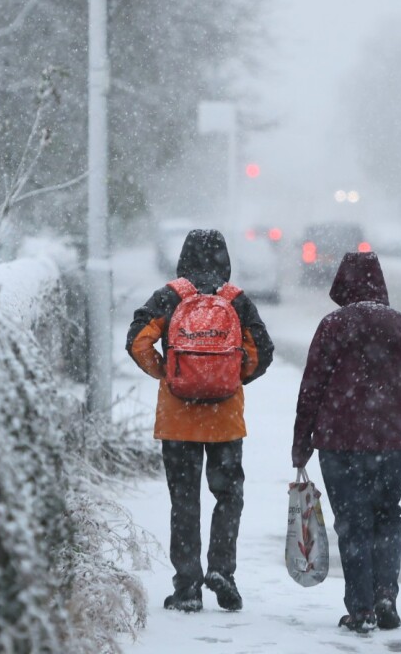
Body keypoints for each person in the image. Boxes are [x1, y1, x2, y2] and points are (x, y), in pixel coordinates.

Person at [292, 251, 401, 633]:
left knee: (352, 523)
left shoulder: (332, 325)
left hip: (340, 442)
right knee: (387, 517)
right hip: (390, 441)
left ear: (342, 284)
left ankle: (361, 608)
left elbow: (311, 388)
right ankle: (385, 596)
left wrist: (301, 443)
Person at [126, 228, 274, 613]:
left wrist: (167, 373)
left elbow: (138, 340)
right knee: (228, 496)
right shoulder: (236, 299)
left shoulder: (170, 296)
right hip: (224, 420)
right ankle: (222, 570)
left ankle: (188, 587)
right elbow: (262, 351)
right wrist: (231, 377)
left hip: (178, 421)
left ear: (183, 256)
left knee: (184, 501)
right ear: (225, 258)